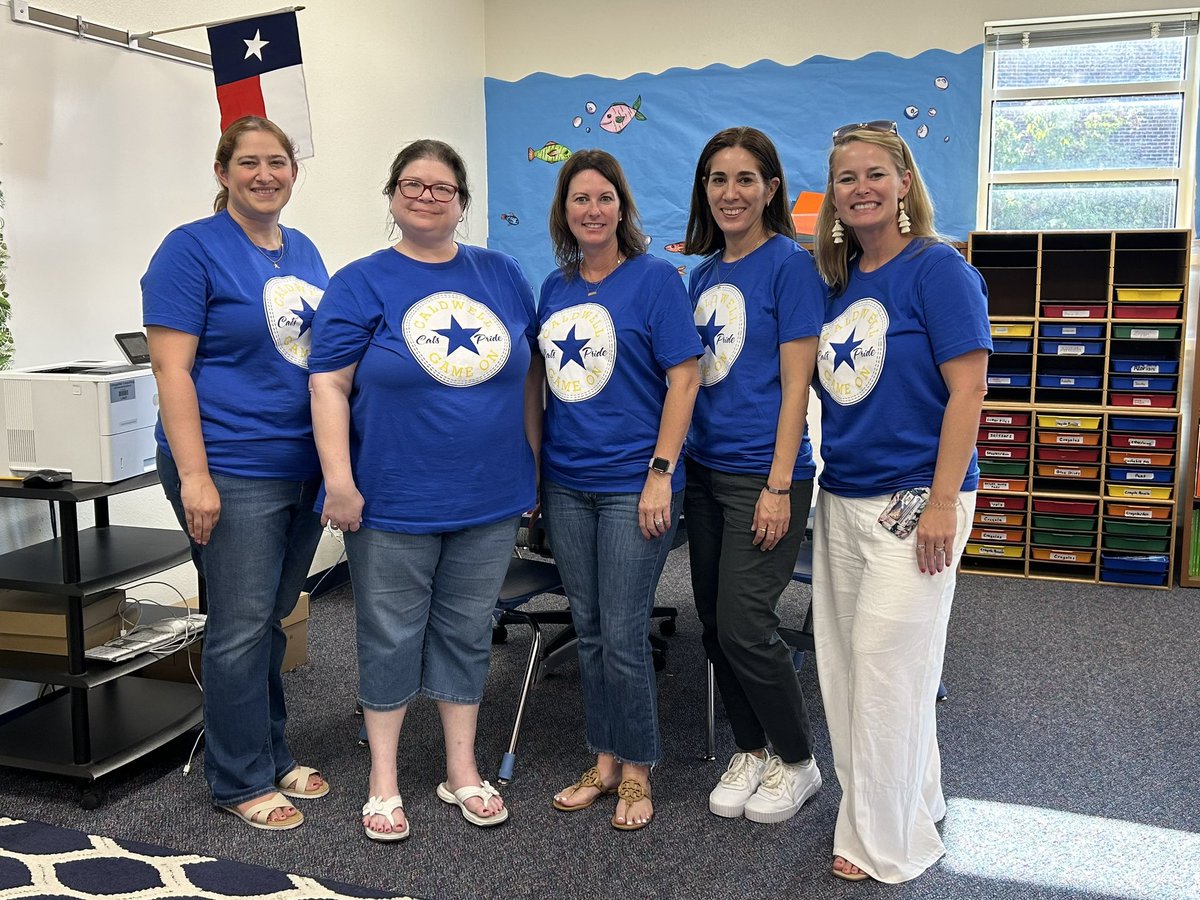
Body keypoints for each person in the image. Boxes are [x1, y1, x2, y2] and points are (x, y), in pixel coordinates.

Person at [308, 139, 541, 841]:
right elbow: (328, 383)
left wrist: (529, 462)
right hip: (391, 497)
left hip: (487, 496)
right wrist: (339, 482)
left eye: (442, 187)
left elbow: (528, 375)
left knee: (467, 632)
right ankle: (383, 780)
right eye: (413, 184)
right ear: (392, 196)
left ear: (462, 202)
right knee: (389, 633)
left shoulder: (501, 274)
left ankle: (461, 771)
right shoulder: (360, 281)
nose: (427, 196)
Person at [810, 121, 990, 882]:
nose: (861, 189)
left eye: (876, 174)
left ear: (905, 182)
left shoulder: (939, 270)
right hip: (844, 496)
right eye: (847, 178)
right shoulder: (838, 282)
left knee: (886, 667)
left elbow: (970, 389)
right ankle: (916, 796)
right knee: (852, 667)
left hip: (921, 497)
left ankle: (885, 842)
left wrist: (945, 500)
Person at [142, 116, 329, 831]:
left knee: (270, 618)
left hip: (299, 466)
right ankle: (238, 776)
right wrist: (195, 477)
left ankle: (271, 750)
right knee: (240, 624)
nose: (264, 175)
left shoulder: (302, 248)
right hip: (229, 463)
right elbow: (171, 368)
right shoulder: (190, 250)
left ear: (293, 171)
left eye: (277, 162)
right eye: (248, 163)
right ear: (223, 172)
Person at [539, 150, 701, 831]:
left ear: (622, 207)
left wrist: (660, 472)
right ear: (565, 212)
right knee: (592, 625)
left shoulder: (657, 280)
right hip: (567, 481)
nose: (593, 209)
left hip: (637, 483)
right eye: (580, 199)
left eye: (604, 197)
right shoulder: (555, 287)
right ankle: (603, 761)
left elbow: (684, 379)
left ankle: (637, 771)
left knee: (626, 631)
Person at [682, 126, 825, 824]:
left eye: (745, 179)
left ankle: (798, 760)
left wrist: (775, 485)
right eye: (717, 179)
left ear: (771, 188)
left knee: (745, 625)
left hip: (765, 478)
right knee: (711, 622)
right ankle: (752, 748)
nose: (730, 193)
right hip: (705, 473)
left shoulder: (790, 267)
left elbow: (797, 387)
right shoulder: (702, 275)